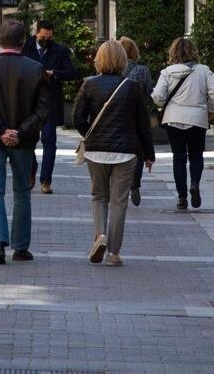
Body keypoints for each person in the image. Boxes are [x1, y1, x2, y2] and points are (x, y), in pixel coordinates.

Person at [0, 20, 51, 265]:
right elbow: (43, 107)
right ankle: (21, 246)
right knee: (22, 192)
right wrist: (19, 130)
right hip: (23, 140)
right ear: (23, 41)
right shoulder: (35, 69)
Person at [73, 41, 155, 266]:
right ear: (123, 60)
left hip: (96, 150)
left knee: (99, 196)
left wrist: (90, 133)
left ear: (99, 60)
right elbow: (143, 125)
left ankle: (100, 236)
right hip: (126, 152)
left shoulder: (88, 86)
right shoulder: (132, 87)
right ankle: (114, 253)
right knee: (119, 201)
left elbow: (77, 118)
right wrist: (149, 154)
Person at [152, 38, 214, 210]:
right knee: (196, 155)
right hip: (197, 119)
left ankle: (182, 197)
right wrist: (210, 109)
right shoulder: (203, 71)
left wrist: (163, 105)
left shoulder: (167, 72)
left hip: (174, 119)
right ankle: (195, 183)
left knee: (179, 157)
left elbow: (158, 97)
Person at [22, 20, 77, 194]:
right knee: (28, 141)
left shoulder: (59, 51)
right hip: (29, 103)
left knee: (49, 141)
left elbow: (72, 72)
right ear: (35, 33)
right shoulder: (25, 48)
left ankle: (46, 180)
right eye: (42, 37)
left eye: (49, 37)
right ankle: (31, 170)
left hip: (50, 103)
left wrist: (54, 73)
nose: (46, 40)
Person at [118, 36, 153, 206]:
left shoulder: (112, 69)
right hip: (137, 116)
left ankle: (119, 183)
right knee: (138, 151)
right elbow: (149, 92)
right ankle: (135, 182)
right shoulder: (142, 70)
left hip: (116, 116)